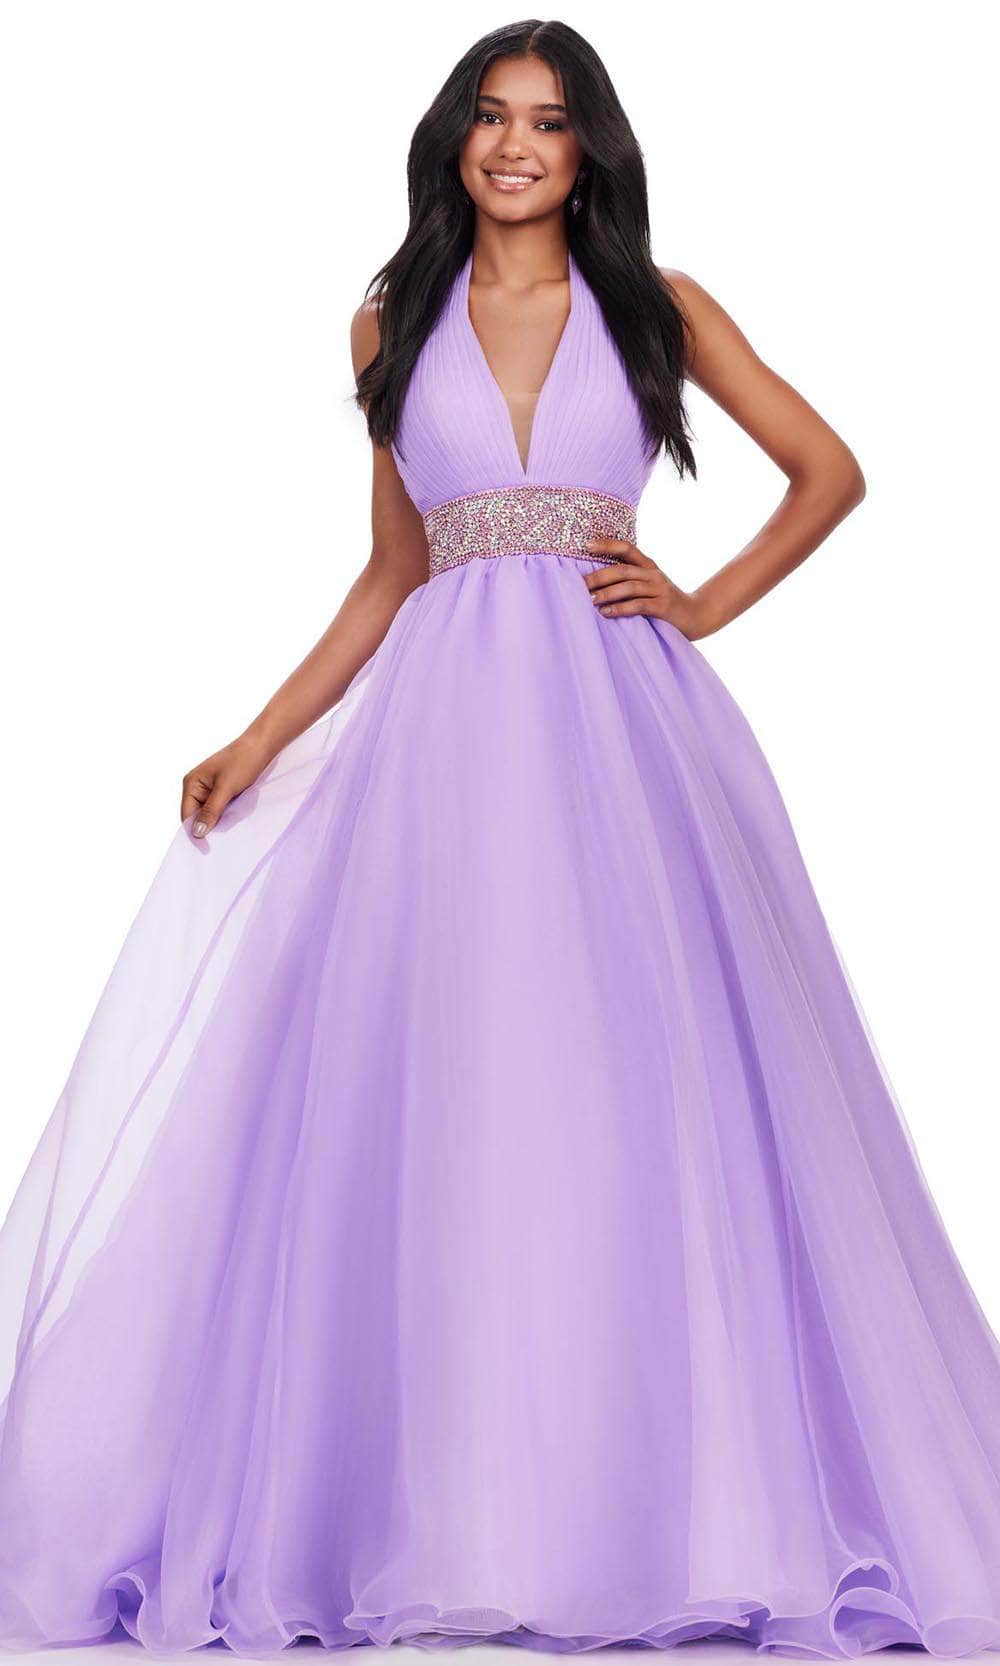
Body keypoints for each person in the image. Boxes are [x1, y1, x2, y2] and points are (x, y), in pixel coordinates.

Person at [2, 18, 999, 1661]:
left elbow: (829, 471)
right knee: (453, 1092)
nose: (516, 143)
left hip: (625, 744)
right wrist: (260, 735)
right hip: (444, 752)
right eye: (490, 115)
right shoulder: (390, 318)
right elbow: (394, 572)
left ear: (589, 147)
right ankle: (445, 1510)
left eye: (547, 119)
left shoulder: (657, 305)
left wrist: (701, 603)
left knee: (643, 1088)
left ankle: (660, 1507)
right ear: (454, 139)